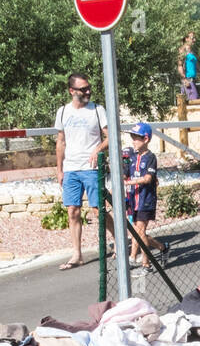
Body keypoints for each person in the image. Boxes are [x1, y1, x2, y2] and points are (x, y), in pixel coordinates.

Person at [54, 72, 110, 270]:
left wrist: (97, 150)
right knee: (73, 211)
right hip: (71, 169)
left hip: (91, 168)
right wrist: (59, 169)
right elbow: (61, 142)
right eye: (83, 89)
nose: (88, 91)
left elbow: (110, 136)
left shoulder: (97, 110)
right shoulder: (63, 112)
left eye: (88, 87)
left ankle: (120, 244)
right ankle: (77, 254)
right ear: (72, 91)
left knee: (98, 210)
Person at [123, 122, 168, 269]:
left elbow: (148, 178)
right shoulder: (132, 157)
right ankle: (161, 247)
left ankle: (144, 263)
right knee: (138, 231)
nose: (133, 141)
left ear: (146, 139)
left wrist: (130, 183)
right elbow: (125, 175)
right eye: (133, 137)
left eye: (137, 138)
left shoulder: (150, 157)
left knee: (140, 230)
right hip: (133, 199)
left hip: (145, 199)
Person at [177, 32, 200, 101]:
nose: (194, 40)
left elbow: (198, 67)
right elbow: (180, 66)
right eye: (192, 38)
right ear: (186, 39)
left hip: (192, 81)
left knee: (193, 104)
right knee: (194, 103)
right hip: (187, 82)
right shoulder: (182, 50)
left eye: (194, 38)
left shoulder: (191, 52)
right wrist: (185, 80)